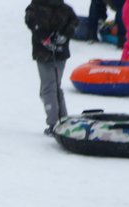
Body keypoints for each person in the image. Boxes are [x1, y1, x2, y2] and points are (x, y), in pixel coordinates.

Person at [25, 0, 79, 136]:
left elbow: (32, 21)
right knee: (54, 86)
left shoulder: (38, 7)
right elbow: (32, 22)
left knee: (48, 89)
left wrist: (62, 36)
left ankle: (54, 122)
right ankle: (62, 119)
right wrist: (50, 38)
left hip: (48, 55)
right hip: (53, 53)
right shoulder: (62, 9)